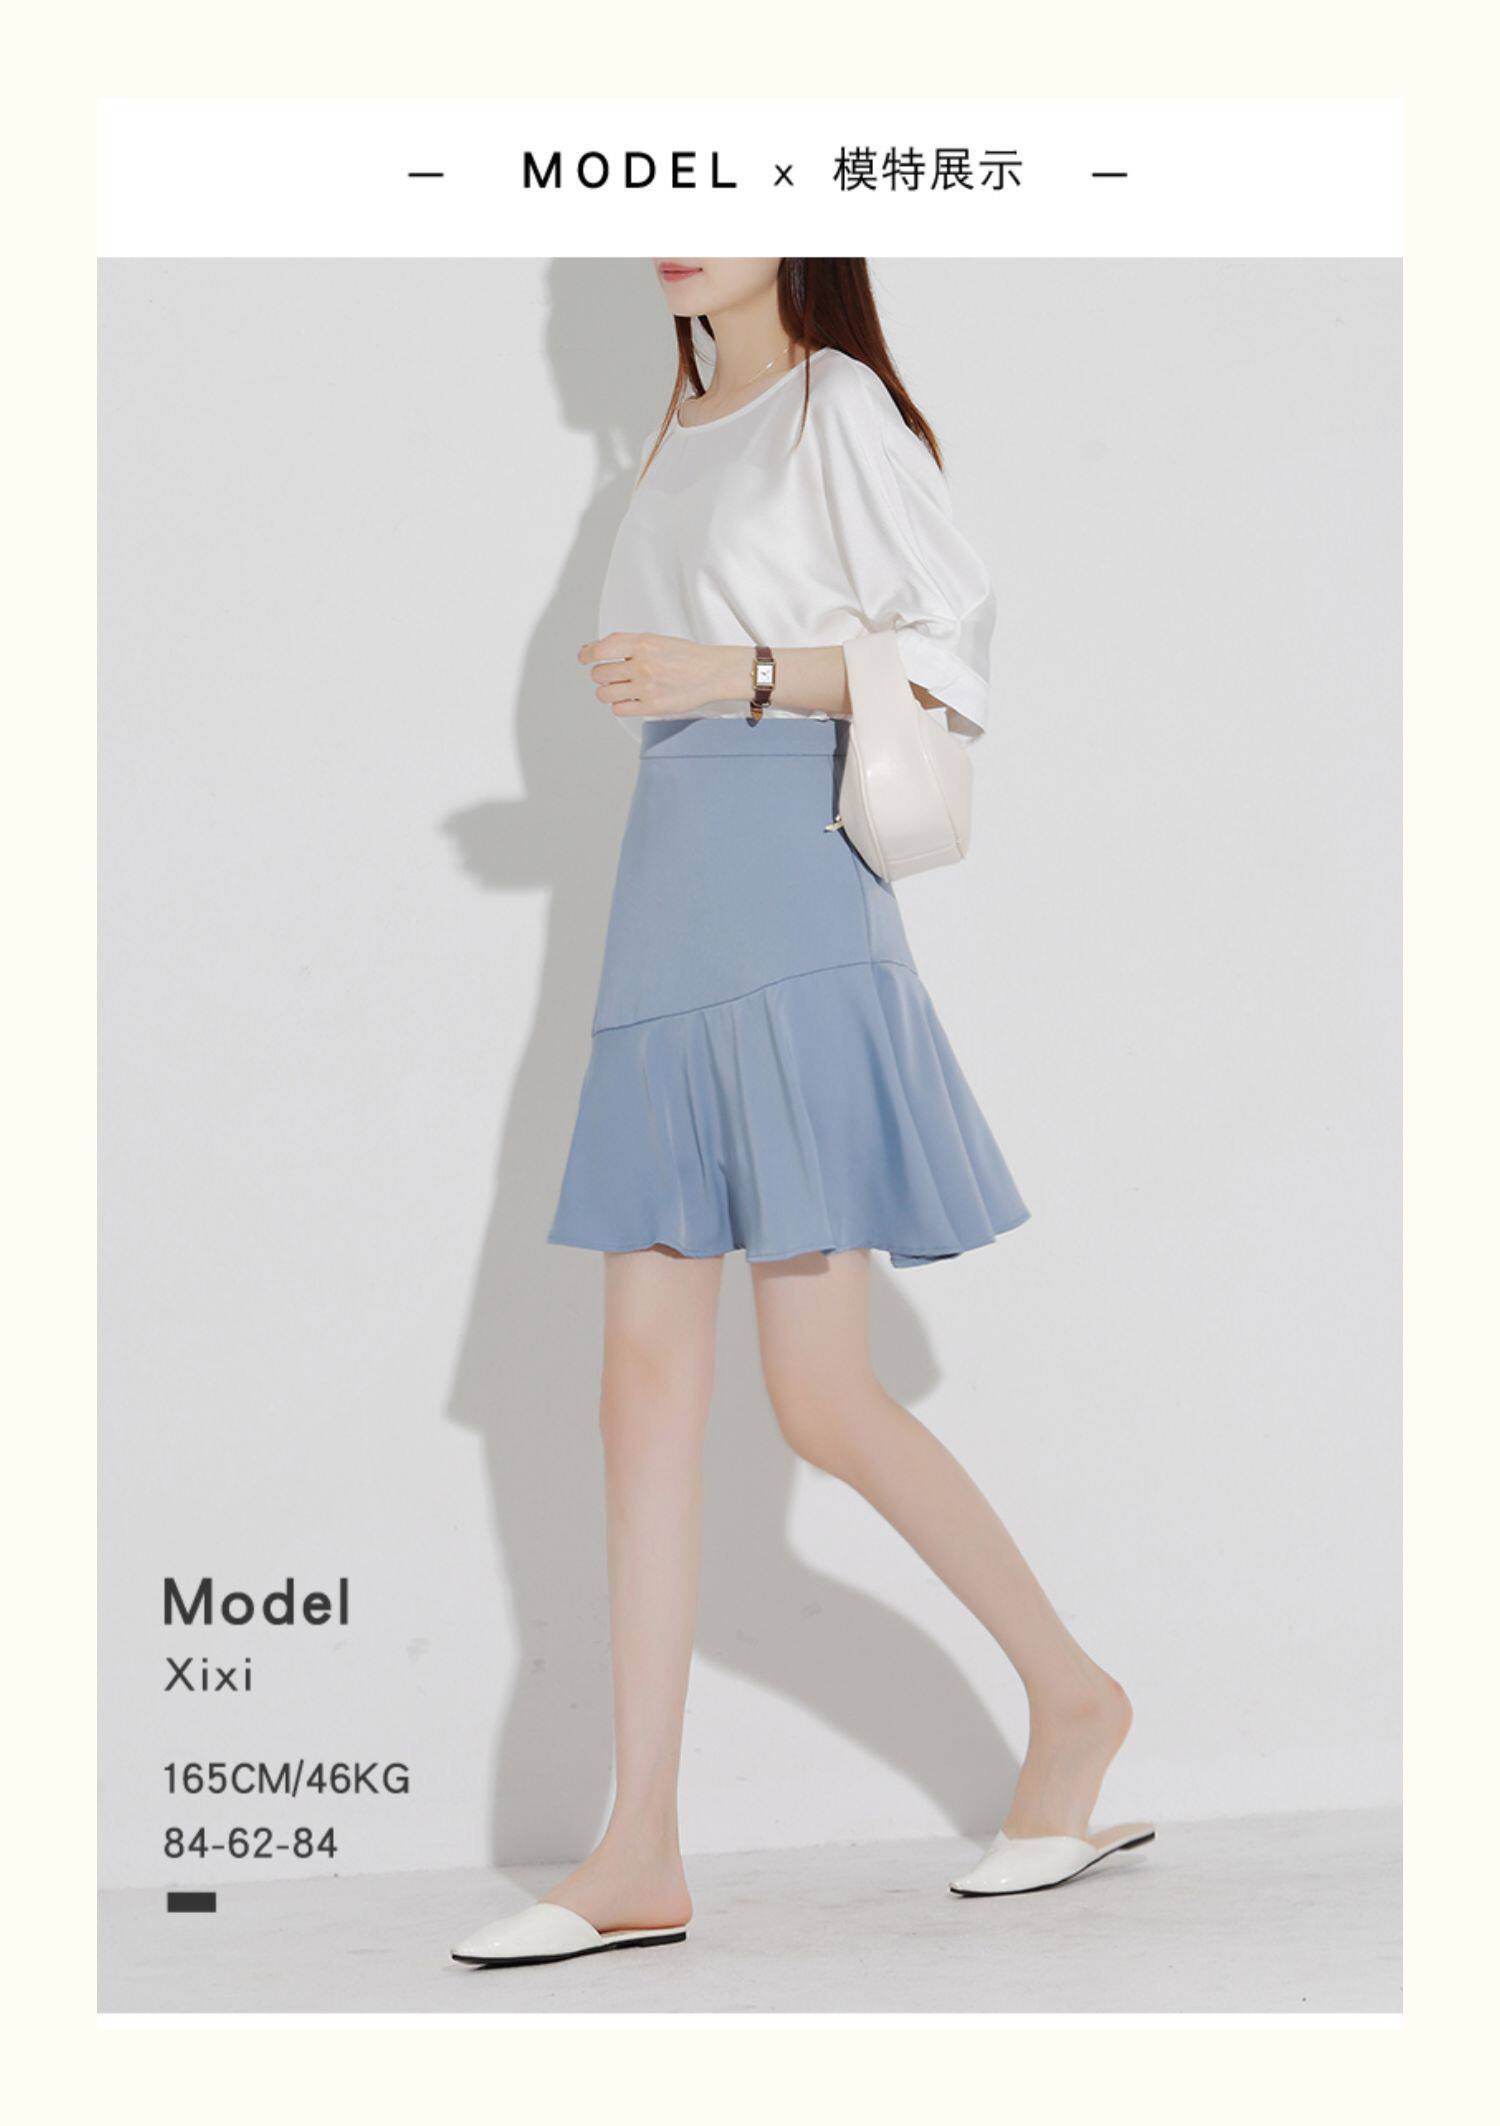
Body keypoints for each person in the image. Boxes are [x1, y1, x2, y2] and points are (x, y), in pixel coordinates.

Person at [452, 259, 1151, 1972]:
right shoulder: (672, 426)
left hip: (792, 885)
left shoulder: (835, 404)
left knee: (823, 1397)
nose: (684, 225)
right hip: (662, 887)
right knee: (638, 1388)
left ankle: (1074, 1698)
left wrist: (730, 669)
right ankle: (639, 1845)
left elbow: (951, 655)